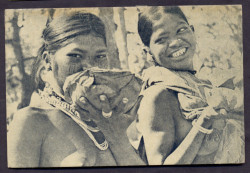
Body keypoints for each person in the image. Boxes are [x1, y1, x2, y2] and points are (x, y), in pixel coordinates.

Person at [7, 12, 145, 167]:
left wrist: (117, 137)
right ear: (48, 60)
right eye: (75, 56)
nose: (89, 67)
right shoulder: (31, 121)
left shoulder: (111, 120)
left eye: (100, 56)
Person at [127, 6, 244, 165]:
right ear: (148, 52)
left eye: (181, 30)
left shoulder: (205, 86)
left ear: (192, 31)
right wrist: (204, 122)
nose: (175, 42)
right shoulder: (158, 95)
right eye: (162, 39)